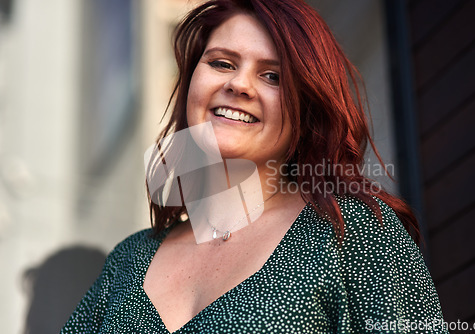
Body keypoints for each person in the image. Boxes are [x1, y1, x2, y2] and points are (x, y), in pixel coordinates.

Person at [61, 0, 448, 333]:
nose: (240, 85)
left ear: (306, 109)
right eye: (222, 63)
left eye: (272, 76)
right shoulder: (126, 262)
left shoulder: (356, 231)